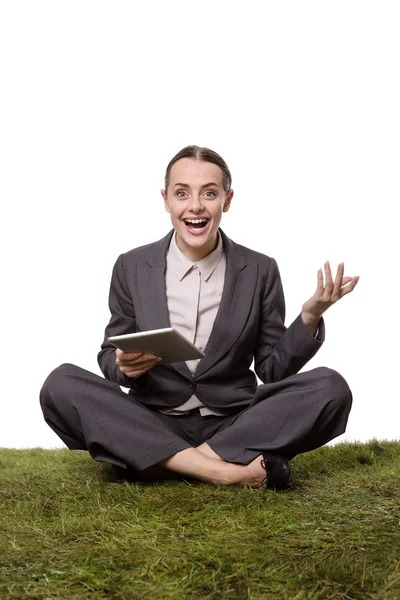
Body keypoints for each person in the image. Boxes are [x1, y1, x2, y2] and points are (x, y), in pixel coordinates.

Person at [40, 145, 359, 490]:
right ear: (166, 200)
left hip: (233, 421)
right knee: (61, 384)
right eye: (182, 193)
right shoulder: (131, 266)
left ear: (227, 199)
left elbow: (272, 370)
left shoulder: (260, 270)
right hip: (153, 418)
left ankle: (158, 463)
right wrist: (123, 367)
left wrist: (309, 317)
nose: (195, 206)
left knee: (331, 387)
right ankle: (222, 471)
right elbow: (109, 355)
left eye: (209, 193)